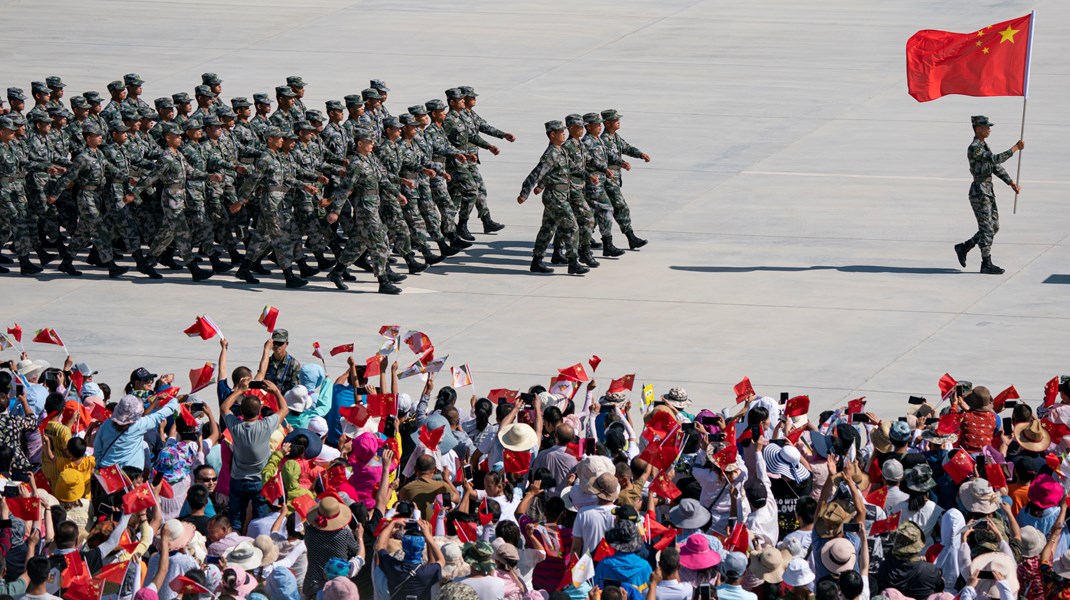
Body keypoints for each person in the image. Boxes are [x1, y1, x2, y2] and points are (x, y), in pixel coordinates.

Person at [954, 115, 1023, 275]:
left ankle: (965, 247)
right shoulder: (975, 147)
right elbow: (995, 159)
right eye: (986, 127)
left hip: (987, 190)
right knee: (986, 229)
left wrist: (1011, 183)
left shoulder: (984, 145)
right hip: (979, 191)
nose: (989, 129)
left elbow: (995, 167)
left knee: (994, 227)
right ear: (978, 129)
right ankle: (986, 263)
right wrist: (1014, 148)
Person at [517, 120, 588, 275]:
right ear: (552, 134)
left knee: (548, 229)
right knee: (572, 227)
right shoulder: (552, 153)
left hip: (558, 195)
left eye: (564, 131)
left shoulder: (560, 150)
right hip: (556, 197)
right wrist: (525, 192)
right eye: (560, 131)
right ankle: (573, 262)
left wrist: (541, 185)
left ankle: (537, 261)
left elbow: (557, 172)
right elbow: (537, 172)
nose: (564, 133)